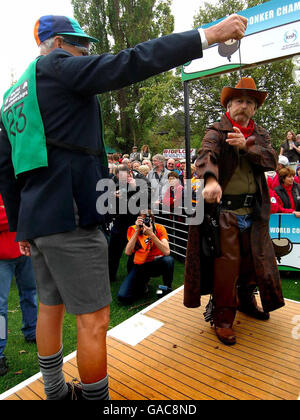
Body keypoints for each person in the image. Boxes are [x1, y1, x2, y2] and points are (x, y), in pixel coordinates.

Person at [0, 13, 247, 399]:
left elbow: (6, 169)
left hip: (38, 218)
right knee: (95, 319)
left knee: (50, 307)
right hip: (72, 213)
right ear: (61, 43)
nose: (87, 52)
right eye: (82, 45)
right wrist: (206, 36)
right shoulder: (58, 67)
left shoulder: (14, 93)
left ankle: (55, 393)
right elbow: (129, 62)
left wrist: (21, 226)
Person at [184, 77, 285, 346]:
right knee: (226, 269)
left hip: (254, 213)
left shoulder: (260, 134)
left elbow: (271, 160)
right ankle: (223, 318)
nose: (244, 105)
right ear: (229, 105)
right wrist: (211, 180)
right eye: (239, 100)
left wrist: (246, 146)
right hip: (225, 214)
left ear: (255, 108)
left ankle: (246, 301)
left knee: (254, 263)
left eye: (250, 102)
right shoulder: (216, 130)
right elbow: (206, 155)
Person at [0, 195, 37, 376]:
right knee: (0, 308)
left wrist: (16, 215)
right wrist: (18, 215)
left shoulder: (15, 181)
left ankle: (32, 331)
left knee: (30, 294)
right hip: (2, 257)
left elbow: (31, 210)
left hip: (24, 249)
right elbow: (25, 212)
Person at [117, 210, 174, 304]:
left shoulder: (160, 229)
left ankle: (167, 288)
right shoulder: (133, 229)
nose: (145, 221)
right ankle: (142, 284)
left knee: (168, 260)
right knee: (123, 297)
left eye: (147, 218)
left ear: (152, 219)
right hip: (140, 265)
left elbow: (167, 251)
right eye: (142, 218)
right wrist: (137, 231)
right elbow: (127, 252)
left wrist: (151, 234)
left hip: (155, 264)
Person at [108, 165, 151, 282]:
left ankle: (132, 277)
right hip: (120, 218)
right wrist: (113, 195)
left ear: (130, 173)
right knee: (113, 249)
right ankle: (110, 276)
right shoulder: (115, 179)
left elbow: (149, 197)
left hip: (136, 220)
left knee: (135, 250)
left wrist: (135, 187)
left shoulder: (142, 179)